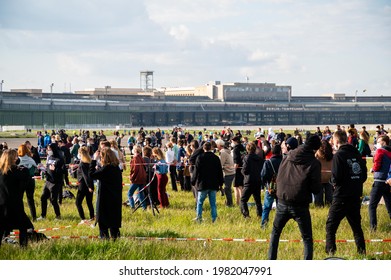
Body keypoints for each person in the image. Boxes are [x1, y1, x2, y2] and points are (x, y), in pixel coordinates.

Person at [268, 135, 321, 260]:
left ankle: (270, 262)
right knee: (307, 238)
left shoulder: (288, 156)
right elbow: (316, 189)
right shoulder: (314, 163)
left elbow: (280, 174)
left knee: (275, 233)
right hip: (300, 204)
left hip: (282, 200)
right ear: (315, 149)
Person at [325, 130, 367, 256]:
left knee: (331, 226)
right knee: (356, 227)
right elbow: (363, 175)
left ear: (336, 141)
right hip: (355, 195)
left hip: (341, 196)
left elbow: (336, 177)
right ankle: (362, 252)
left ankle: (331, 253)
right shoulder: (357, 153)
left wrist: (332, 181)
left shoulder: (338, 155)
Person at [0, 149, 34, 247]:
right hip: (15, 204)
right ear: (13, 159)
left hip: (1, 204)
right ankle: (23, 248)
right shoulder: (18, 172)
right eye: (15, 157)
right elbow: (26, 181)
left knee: (2, 227)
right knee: (23, 227)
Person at [89, 148, 122, 240]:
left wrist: (94, 160)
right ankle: (116, 239)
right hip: (115, 198)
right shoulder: (116, 168)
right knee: (114, 223)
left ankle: (105, 240)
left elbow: (91, 174)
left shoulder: (106, 169)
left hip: (105, 199)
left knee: (103, 222)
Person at [191, 142, 224, 222]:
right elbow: (219, 171)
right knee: (213, 203)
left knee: (200, 202)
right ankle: (214, 218)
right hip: (213, 183)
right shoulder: (216, 158)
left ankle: (199, 217)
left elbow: (196, 171)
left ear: (203, 148)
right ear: (211, 148)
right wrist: (221, 183)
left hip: (203, 183)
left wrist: (193, 181)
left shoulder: (200, 157)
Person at [368, 135, 391, 231]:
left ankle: (373, 228)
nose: (377, 142)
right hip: (388, 181)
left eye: (379, 141)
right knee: (389, 206)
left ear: (384, 142)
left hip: (379, 181)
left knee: (372, 206)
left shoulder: (380, 151)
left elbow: (377, 165)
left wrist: (372, 169)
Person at [37, 143, 64, 220]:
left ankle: (58, 216)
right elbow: (48, 168)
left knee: (53, 200)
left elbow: (63, 171)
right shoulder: (49, 157)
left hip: (55, 182)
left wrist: (55, 169)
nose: (48, 150)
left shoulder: (60, 159)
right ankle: (43, 215)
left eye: (49, 149)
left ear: (53, 149)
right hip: (48, 181)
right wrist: (43, 169)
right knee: (43, 198)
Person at [260, 144, 283, 228]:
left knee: (266, 208)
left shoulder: (268, 162)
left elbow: (263, 176)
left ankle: (264, 225)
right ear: (280, 152)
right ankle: (278, 226)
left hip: (270, 187)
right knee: (280, 209)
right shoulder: (284, 161)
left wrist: (265, 185)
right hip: (282, 187)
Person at [240, 142, 264, 218]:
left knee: (243, 200)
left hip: (249, 181)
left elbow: (245, 170)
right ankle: (259, 215)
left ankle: (246, 215)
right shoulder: (259, 158)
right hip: (258, 180)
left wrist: (242, 172)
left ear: (247, 149)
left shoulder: (246, 158)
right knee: (258, 200)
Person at [17, 144, 38, 221]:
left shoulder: (17, 161)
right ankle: (34, 217)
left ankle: (21, 216)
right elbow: (35, 169)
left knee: (19, 199)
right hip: (30, 181)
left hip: (20, 182)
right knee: (30, 199)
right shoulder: (31, 160)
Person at [75, 146, 95, 224]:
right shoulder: (89, 162)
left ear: (81, 154)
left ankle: (83, 219)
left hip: (83, 185)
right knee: (89, 202)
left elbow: (85, 176)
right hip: (90, 184)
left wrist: (88, 186)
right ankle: (92, 217)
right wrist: (90, 186)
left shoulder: (82, 164)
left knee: (78, 202)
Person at [314, 140, 334, 207]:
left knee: (318, 197)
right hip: (329, 178)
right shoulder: (331, 155)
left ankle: (319, 206)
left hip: (319, 178)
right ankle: (329, 205)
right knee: (329, 196)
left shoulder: (317, 155)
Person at [216, 139, 235, 207]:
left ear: (219, 145)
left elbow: (220, 164)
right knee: (227, 188)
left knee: (227, 189)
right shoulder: (226, 151)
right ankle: (228, 201)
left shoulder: (223, 152)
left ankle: (229, 204)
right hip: (231, 172)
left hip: (228, 173)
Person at [128, 145, 147, 210]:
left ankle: (132, 206)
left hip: (137, 179)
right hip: (142, 178)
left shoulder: (135, 158)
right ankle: (144, 207)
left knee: (130, 193)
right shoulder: (141, 158)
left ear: (135, 150)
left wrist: (131, 178)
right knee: (140, 193)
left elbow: (135, 169)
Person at [231, 136, 246, 205]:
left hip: (237, 169)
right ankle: (243, 202)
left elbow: (236, 161)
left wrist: (233, 170)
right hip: (244, 168)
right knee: (241, 186)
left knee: (236, 187)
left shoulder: (235, 149)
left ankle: (238, 203)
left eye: (232, 141)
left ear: (235, 141)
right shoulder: (243, 148)